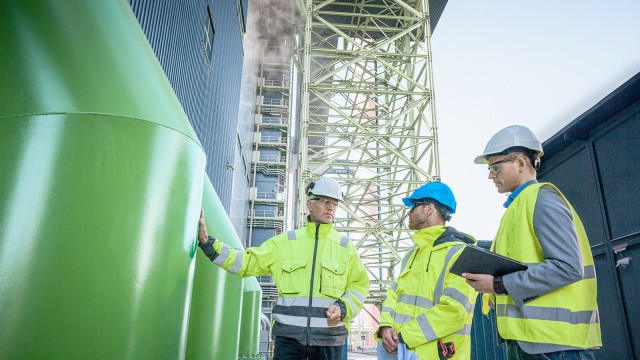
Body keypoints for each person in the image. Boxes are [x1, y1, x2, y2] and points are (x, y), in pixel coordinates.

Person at [464, 125, 602, 359]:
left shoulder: (542, 199)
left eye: (495, 167)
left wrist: (498, 285)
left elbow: (568, 267)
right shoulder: (517, 207)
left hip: (557, 346)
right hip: (528, 341)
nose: (490, 175)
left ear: (520, 163)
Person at [198, 176, 369, 360]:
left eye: (335, 203)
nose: (331, 208)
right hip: (289, 341)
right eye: (325, 201)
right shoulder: (286, 242)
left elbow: (359, 285)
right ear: (310, 205)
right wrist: (209, 245)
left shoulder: (345, 247)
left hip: (330, 341)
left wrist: (344, 307)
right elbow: (247, 262)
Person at [376, 181, 478, 359]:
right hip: (402, 351)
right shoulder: (412, 255)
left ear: (429, 208)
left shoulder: (460, 254)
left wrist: (404, 336)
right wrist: (386, 325)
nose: (409, 212)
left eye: (414, 206)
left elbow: (455, 311)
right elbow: (394, 295)